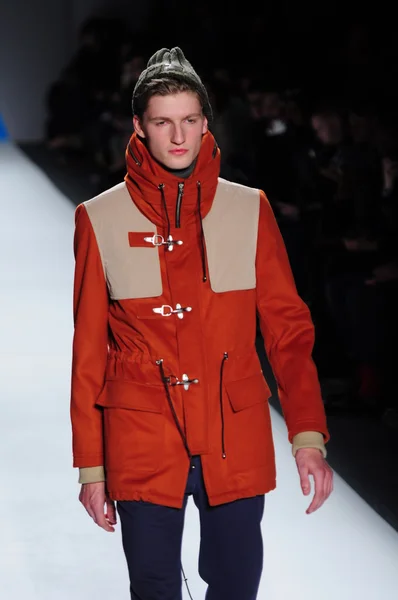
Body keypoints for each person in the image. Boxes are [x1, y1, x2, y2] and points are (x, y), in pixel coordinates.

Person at [70, 47, 334, 600]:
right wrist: (91, 468)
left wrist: (307, 434)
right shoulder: (100, 218)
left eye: (190, 120)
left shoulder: (249, 209)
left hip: (233, 430)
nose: (179, 136)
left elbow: (287, 331)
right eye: (163, 122)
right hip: (142, 432)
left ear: (205, 122)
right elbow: (89, 350)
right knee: (154, 586)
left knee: (238, 586)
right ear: (139, 127)